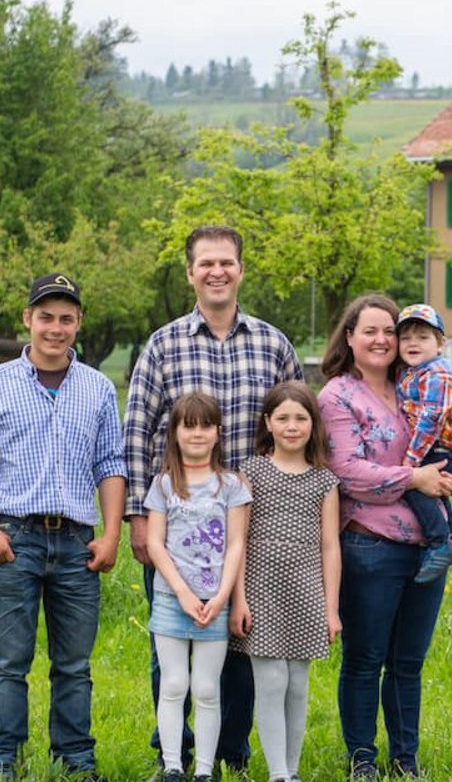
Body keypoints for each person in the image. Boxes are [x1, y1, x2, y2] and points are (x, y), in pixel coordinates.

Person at [125, 224, 305, 778]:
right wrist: (137, 515)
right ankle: (172, 755)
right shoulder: (164, 343)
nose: (217, 272)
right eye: (206, 263)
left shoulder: (274, 344)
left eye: (226, 262)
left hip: (252, 524)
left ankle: (229, 750)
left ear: (241, 269)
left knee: (241, 639)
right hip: (175, 526)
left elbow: (298, 421)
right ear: (190, 273)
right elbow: (137, 429)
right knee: (173, 642)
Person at [0, 272, 125, 782]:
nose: (55, 328)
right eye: (45, 317)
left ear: (78, 324)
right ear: (27, 320)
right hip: (15, 538)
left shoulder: (96, 388)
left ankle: (76, 761)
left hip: (75, 543)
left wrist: (111, 533)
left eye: (66, 318)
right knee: (10, 662)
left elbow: (110, 463)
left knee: (74, 665)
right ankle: (3, 761)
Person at [317, 293, 452, 780]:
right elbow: (346, 470)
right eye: (372, 331)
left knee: (408, 662)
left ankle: (405, 758)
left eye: (391, 331)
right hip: (369, 548)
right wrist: (415, 479)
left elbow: (446, 442)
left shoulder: (418, 382)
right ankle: (362, 756)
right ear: (350, 337)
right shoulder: (337, 395)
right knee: (365, 659)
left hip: (427, 548)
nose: (383, 340)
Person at [229, 381, 341, 782]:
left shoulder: (324, 481)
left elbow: (330, 546)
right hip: (261, 588)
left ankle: (291, 769)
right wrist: (237, 598)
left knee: (297, 683)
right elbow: (236, 540)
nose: (292, 426)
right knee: (271, 679)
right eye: (283, 418)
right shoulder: (251, 471)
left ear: (313, 424)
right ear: (268, 423)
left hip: (306, 590)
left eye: (301, 418)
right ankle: (278, 772)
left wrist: (331, 609)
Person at [145, 392, 251, 782]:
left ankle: (205, 770)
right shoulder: (163, 485)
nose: (197, 433)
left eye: (206, 425)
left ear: (218, 433)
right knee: (174, 683)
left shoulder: (232, 485)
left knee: (207, 688)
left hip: (216, 601)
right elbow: (155, 543)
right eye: (188, 425)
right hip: (173, 601)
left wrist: (222, 596)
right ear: (174, 432)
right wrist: (183, 593)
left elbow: (238, 543)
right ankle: (173, 765)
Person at [394, 303, 452, 584]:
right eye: (406, 338)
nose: (413, 343)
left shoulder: (437, 374)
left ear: (441, 344)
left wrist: (411, 461)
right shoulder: (414, 372)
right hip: (445, 448)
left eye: (423, 337)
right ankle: (450, 538)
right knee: (434, 491)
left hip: (444, 448)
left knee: (416, 485)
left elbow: (432, 418)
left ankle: (440, 542)